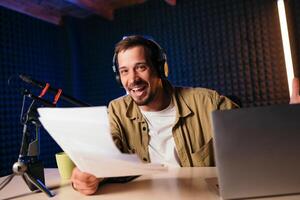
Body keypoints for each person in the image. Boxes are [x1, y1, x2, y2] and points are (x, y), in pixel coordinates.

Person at [71, 35, 300, 195]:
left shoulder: (206, 101)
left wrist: (291, 119)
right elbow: (103, 152)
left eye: (140, 67)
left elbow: (258, 139)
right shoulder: (117, 110)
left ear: (160, 69)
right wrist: (87, 174)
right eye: (124, 71)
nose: (133, 79)